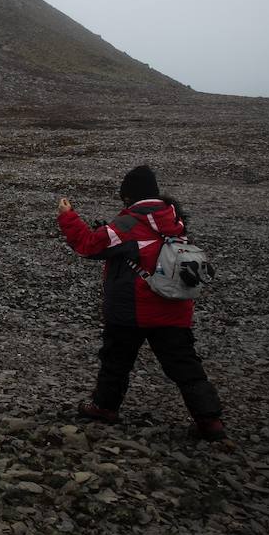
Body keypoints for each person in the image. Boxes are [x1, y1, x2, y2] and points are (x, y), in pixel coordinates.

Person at [57, 165, 227, 441]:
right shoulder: (175, 221)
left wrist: (68, 217)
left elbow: (88, 245)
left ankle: (104, 407)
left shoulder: (127, 223)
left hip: (132, 308)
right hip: (174, 307)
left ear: (128, 196)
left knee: (116, 360)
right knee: (185, 364)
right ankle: (210, 420)